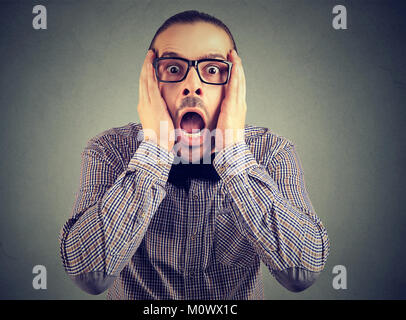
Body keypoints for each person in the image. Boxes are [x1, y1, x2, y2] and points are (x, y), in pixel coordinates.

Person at [59, 10, 330, 299]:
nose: (193, 84)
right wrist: (155, 150)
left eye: (213, 69)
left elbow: (302, 271)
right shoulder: (109, 151)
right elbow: (89, 274)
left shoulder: (273, 152)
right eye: (174, 69)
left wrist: (234, 154)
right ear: (150, 82)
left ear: (234, 84)